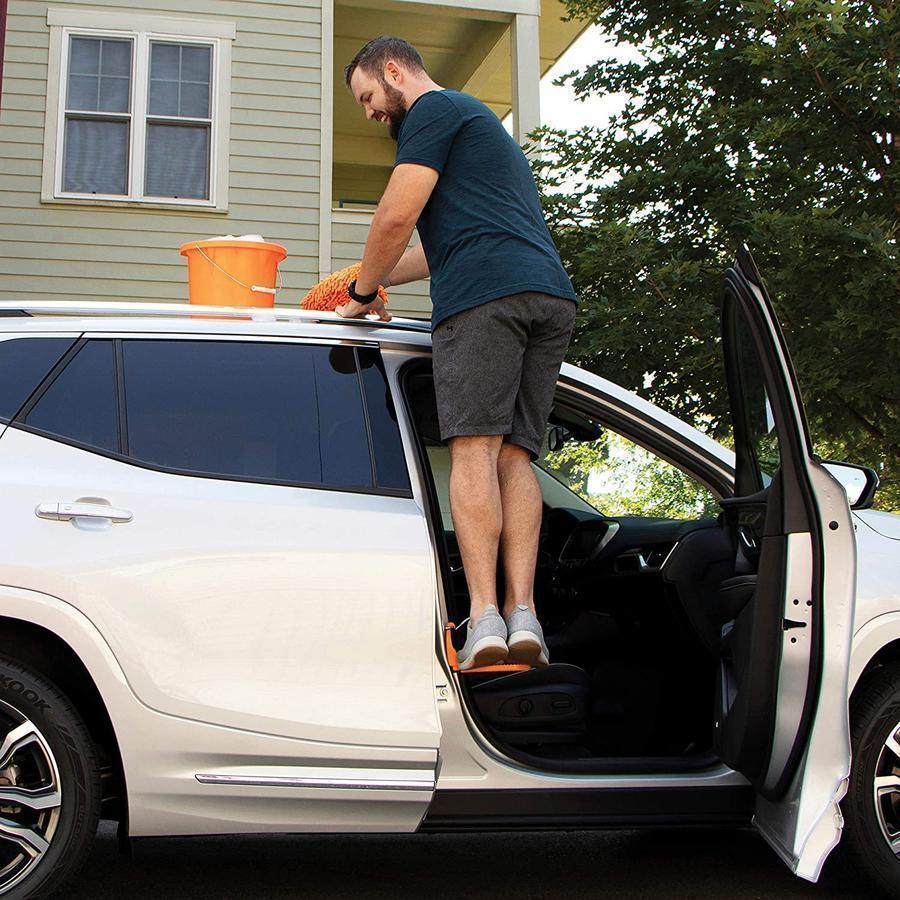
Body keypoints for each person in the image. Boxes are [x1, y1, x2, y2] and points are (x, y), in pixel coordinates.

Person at [338, 36, 577, 669]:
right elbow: (433, 247)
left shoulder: (434, 112)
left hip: (484, 300)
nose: (370, 113)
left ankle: (485, 620)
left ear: (394, 70)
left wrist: (361, 293)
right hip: (546, 297)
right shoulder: (476, 124)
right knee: (515, 456)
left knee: (473, 450)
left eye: (367, 97)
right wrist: (375, 277)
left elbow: (396, 215)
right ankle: (524, 614)